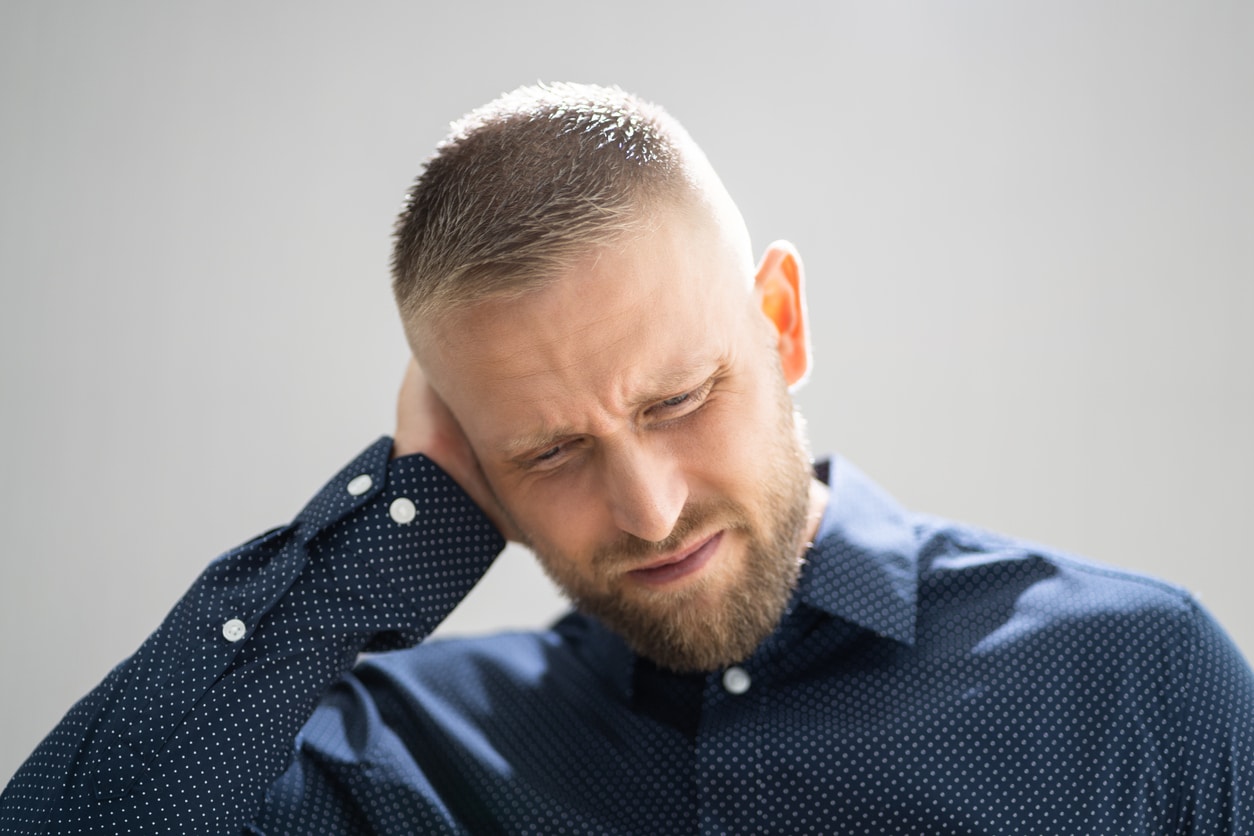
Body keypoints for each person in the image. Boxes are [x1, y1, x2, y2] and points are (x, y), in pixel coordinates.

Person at [2, 82, 1251, 834]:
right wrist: (384, 537)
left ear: (783, 323)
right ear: (468, 457)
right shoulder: (392, 760)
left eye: (679, 396)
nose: (648, 510)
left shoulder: (1136, 683)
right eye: (549, 448)